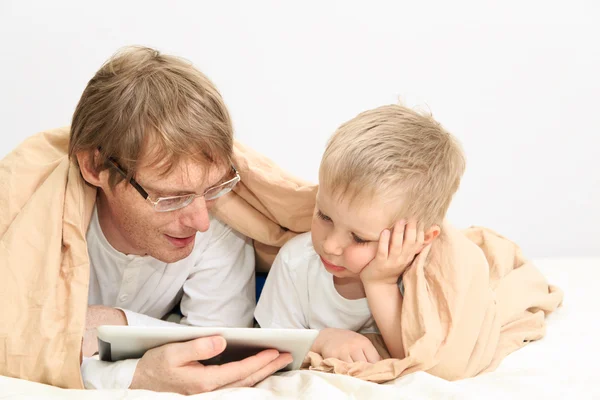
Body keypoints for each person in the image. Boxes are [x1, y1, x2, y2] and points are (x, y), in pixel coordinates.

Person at [2, 46, 291, 394]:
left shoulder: (221, 220)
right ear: (95, 168)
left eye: (212, 188)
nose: (200, 221)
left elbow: (214, 350)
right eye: (171, 197)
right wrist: (130, 374)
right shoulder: (36, 214)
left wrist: (115, 323)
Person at [254, 104, 465, 363]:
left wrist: (381, 283)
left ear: (418, 240)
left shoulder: (417, 276)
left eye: (359, 238)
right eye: (324, 216)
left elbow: (415, 357)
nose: (330, 245)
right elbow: (270, 344)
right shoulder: (296, 262)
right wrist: (321, 339)